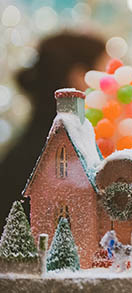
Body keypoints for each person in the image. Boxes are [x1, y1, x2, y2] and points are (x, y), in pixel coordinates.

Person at [0, 32, 108, 229]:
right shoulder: (61, 151)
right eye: (104, 75)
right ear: (77, 78)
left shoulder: (32, 143)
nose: (110, 88)